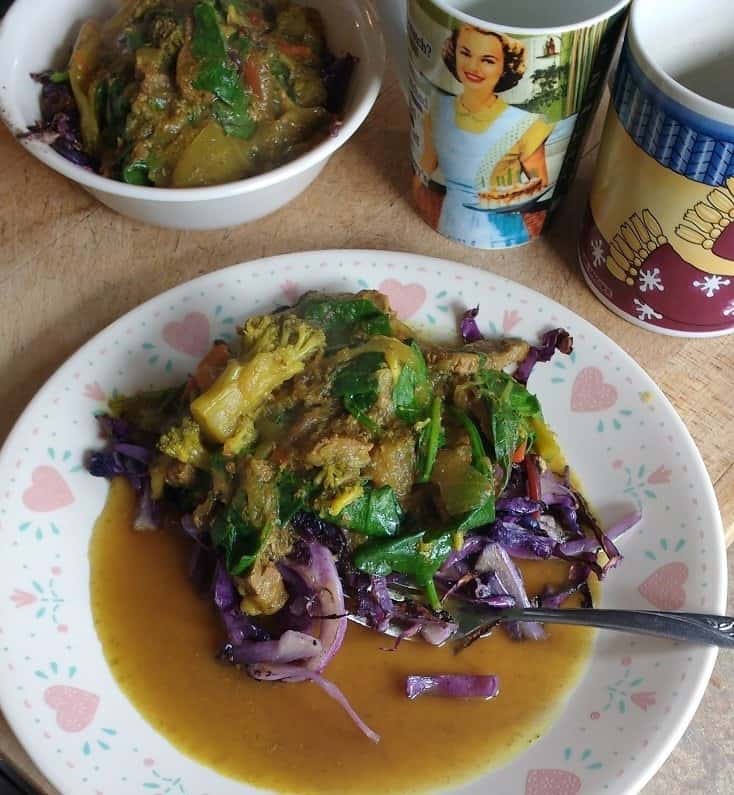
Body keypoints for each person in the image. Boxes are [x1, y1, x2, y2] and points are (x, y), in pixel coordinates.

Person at [416, 25, 554, 248]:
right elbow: (423, 169)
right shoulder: (438, 108)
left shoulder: (524, 123)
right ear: (454, 54)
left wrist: (500, 198)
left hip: (504, 232)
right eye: (465, 53)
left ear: (505, 67)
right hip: (446, 222)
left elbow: (540, 185)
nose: (473, 66)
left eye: (488, 60)